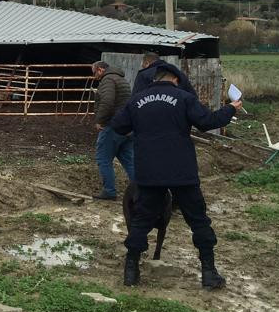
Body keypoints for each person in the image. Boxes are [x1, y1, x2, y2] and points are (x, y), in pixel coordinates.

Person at [112, 62, 241, 289]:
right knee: (198, 220)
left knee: (141, 220)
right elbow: (208, 122)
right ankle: (209, 273)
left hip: (149, 171)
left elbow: (118, 127)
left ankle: (130, 272)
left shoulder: (137, 100)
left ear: (155, 79)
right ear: (176, 79)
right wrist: (231, 108)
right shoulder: (184, 98)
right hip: (181, 171)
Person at [90, 60, 135, 201]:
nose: (94, 76)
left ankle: (109, 191)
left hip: (112, 125)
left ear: (100, 69)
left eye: (94, 72)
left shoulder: (108, 80)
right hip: (126, 126)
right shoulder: (121, 79)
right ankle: (141, 188)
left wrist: (100, 121)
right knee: (128, 159)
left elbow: (107, 102)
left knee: (103, 158)